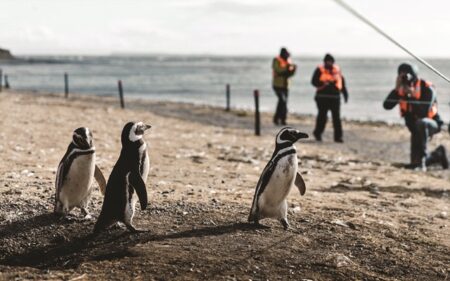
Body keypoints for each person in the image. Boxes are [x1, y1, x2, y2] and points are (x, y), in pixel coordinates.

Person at [383, 63, 448, 171]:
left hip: (431, 123)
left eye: (406, 75)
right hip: (414, 127)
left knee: (422, 123)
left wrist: (411, 96)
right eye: (401, 75)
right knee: (414, 163)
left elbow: (424, 112)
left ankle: (422, 162)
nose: (405, 78)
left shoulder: (426, 88)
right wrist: (396, 90)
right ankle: (438, 154)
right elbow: (387, 105)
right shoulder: (400, 90)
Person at [311, 54, 349, 142]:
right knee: (322, 117)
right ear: (324, 62)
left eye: (330, 61)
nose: (329, 63)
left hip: (335, 98)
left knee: (336, 118)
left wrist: (345, 94)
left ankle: (338, 137)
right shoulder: (319, 69)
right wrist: (324, 84)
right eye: (327, 61)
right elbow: (313, 82)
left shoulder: (337, 70)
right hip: (322, 98)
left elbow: (342, 82)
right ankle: (318, 134)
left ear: (333, 62)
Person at [272, 47, 296, 125]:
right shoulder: (276, 60)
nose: (287, 55)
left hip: (286, 85)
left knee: (284, 102)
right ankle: (277, 118)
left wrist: (293, 70)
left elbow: (290, 73)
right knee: (282, 101)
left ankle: (282, 119)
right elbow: (278, 70)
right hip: (277, 84)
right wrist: (287, 70)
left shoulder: (289, 61)